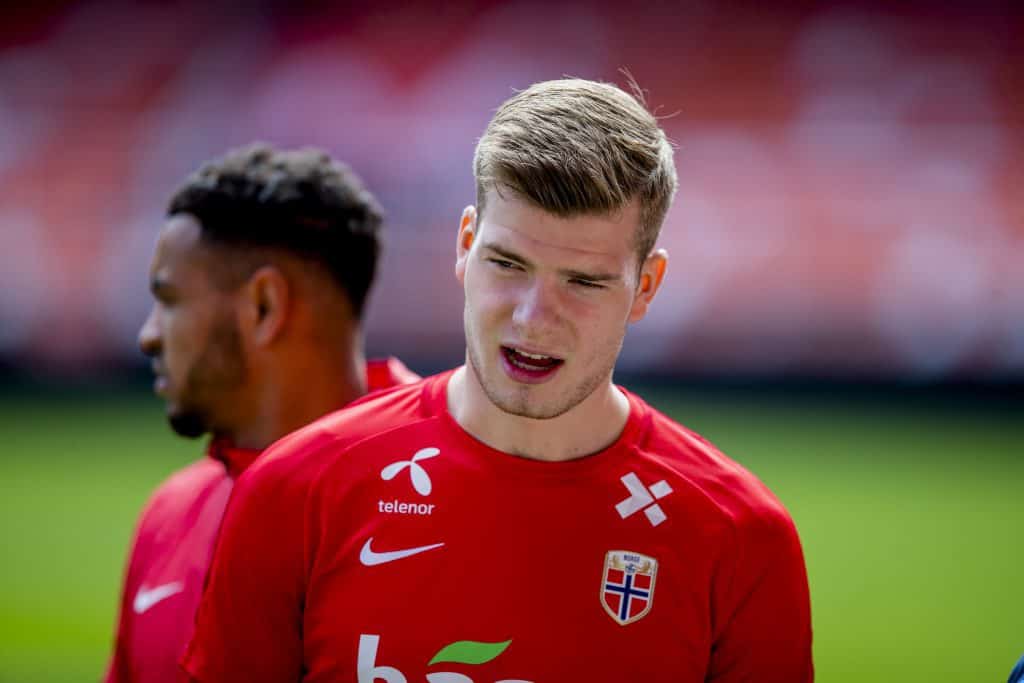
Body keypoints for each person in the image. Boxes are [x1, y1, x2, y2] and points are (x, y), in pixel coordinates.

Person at [182, 79, 813, 682]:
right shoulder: (296, 490)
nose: (533, 317)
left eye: (583, 282)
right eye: (508, 264)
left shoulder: (738, 536)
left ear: (645, 286)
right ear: (465, 245)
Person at [104, 144, 419, 683]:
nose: (148, 335)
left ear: (263, 306)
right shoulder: (169, 515)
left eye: (169, 299)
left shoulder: (455, 493)